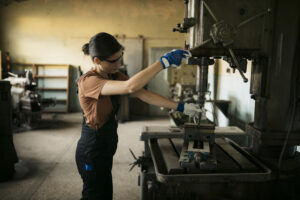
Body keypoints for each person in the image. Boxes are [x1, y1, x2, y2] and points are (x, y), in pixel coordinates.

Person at [75, 32, 201, 200]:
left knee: (104, 193)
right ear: (97, 60)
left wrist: (181, 107)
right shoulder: (88, 81)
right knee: (93, 194)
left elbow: (143, 94)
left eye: (120, 57)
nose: (119, 63)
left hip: (105, 145)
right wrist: (162, 62)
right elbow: (129, 87)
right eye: (114, 60)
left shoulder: (114, 75)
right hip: (92, 148)